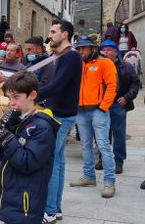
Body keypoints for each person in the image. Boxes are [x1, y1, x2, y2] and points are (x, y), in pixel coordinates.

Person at [0, 71, 59, 224]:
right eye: (9, 97)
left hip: (26, 203)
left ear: (32, 95)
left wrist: (7, 138)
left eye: (16, 97)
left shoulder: (42, 127)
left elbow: (27, 162)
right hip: (8, 196)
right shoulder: (18, 120)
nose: (11, 103)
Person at [41, 19, 82, 223]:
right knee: (58, 162)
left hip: (61, 116)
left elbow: (56, 86)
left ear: (64, 34)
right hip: (60, 113)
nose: (50, 35)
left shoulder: (71, 57)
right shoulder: (61, 56)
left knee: (51, 163)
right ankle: (55, 209)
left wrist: (31, 94)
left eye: (53, 31)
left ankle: (49, 211)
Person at [69, 36, 117, 199]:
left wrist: (104, 107)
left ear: (92, 49)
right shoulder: (78, 65)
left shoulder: (105, 63)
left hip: (98, 110)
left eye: (83, 48)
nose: (80, 51)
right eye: (79, 48)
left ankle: (109, 182)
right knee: (85, 145)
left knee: (103, 146)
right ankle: (89, 176)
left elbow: (112, 86)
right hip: (81, 111)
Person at [97, 40, 140, 174]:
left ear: (116, 52)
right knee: (102, 134)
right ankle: (102, 159)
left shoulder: (126, 66)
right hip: (102, 105)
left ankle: (118, 161)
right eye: (104, 49)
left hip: (118, 104)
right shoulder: (99, 66)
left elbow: (135, 83)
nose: (106, 52)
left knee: (119, 134)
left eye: (110, 49)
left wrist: (127, 97)